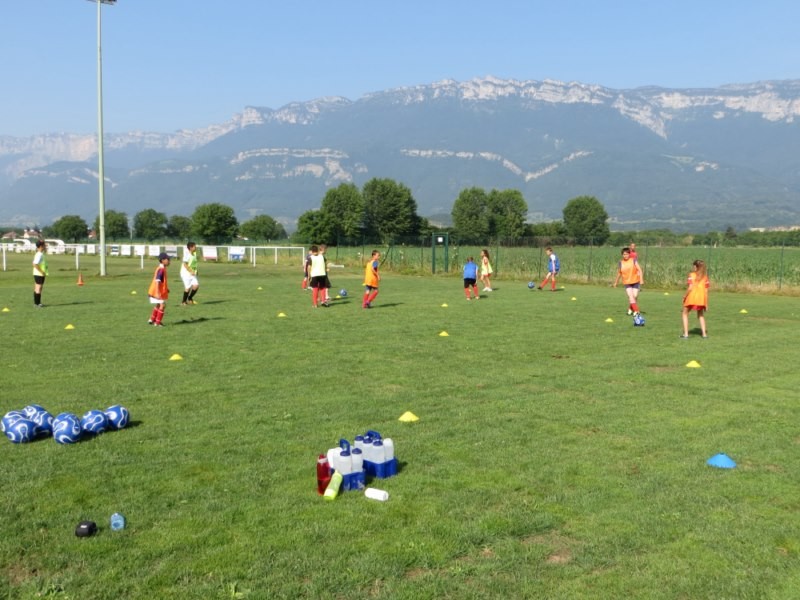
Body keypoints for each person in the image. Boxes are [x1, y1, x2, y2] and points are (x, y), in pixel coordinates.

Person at [681, 259, 709, 338]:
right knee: (700, 315)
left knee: (684, 314)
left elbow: (690, 288)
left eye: (693, 266)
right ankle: (704, 334)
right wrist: (706, 303)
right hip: (701, 299)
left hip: (691, 298)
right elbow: (706, 291)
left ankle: (686, 334)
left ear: (696, 267)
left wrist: (684, 296)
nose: (693, 267)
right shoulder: (705, 277)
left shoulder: (691, 275)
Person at [612, 247, 644, 316]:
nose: (625, 255)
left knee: (635, 296)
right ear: (622, 255)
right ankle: (637, 311)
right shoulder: (621, 262)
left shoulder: (633, 260)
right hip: (627, 282)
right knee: (631, 297)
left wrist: (641, 279)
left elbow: (640, 269)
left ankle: (630, 309)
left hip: (635, 281)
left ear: (629, 254)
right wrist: (616, 282)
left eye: (627, 254)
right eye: (624, 254)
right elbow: (619, 273)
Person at [147, 252, 171, 327]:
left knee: (158, 304)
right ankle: (157, 323)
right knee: (162, 305)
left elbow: (162, 281)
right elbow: (157, 281)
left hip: (154, 291)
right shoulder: (161, 269)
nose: (169, 261)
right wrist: (157, 293)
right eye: (168, 259)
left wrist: (166, 289)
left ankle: (152, 319)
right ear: (162, 260)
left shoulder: (162, 268)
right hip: (155, 292)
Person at [32, 239, 48, 307]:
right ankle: (37, 303)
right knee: (38, 288)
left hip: (38, 274)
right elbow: (35, 264)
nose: (45, 246)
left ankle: (36, 303)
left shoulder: (40, 254)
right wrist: (42, 272)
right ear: (41, 246)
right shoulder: (39, 254)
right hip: (39, 274)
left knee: (37, 288)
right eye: (44, 245)